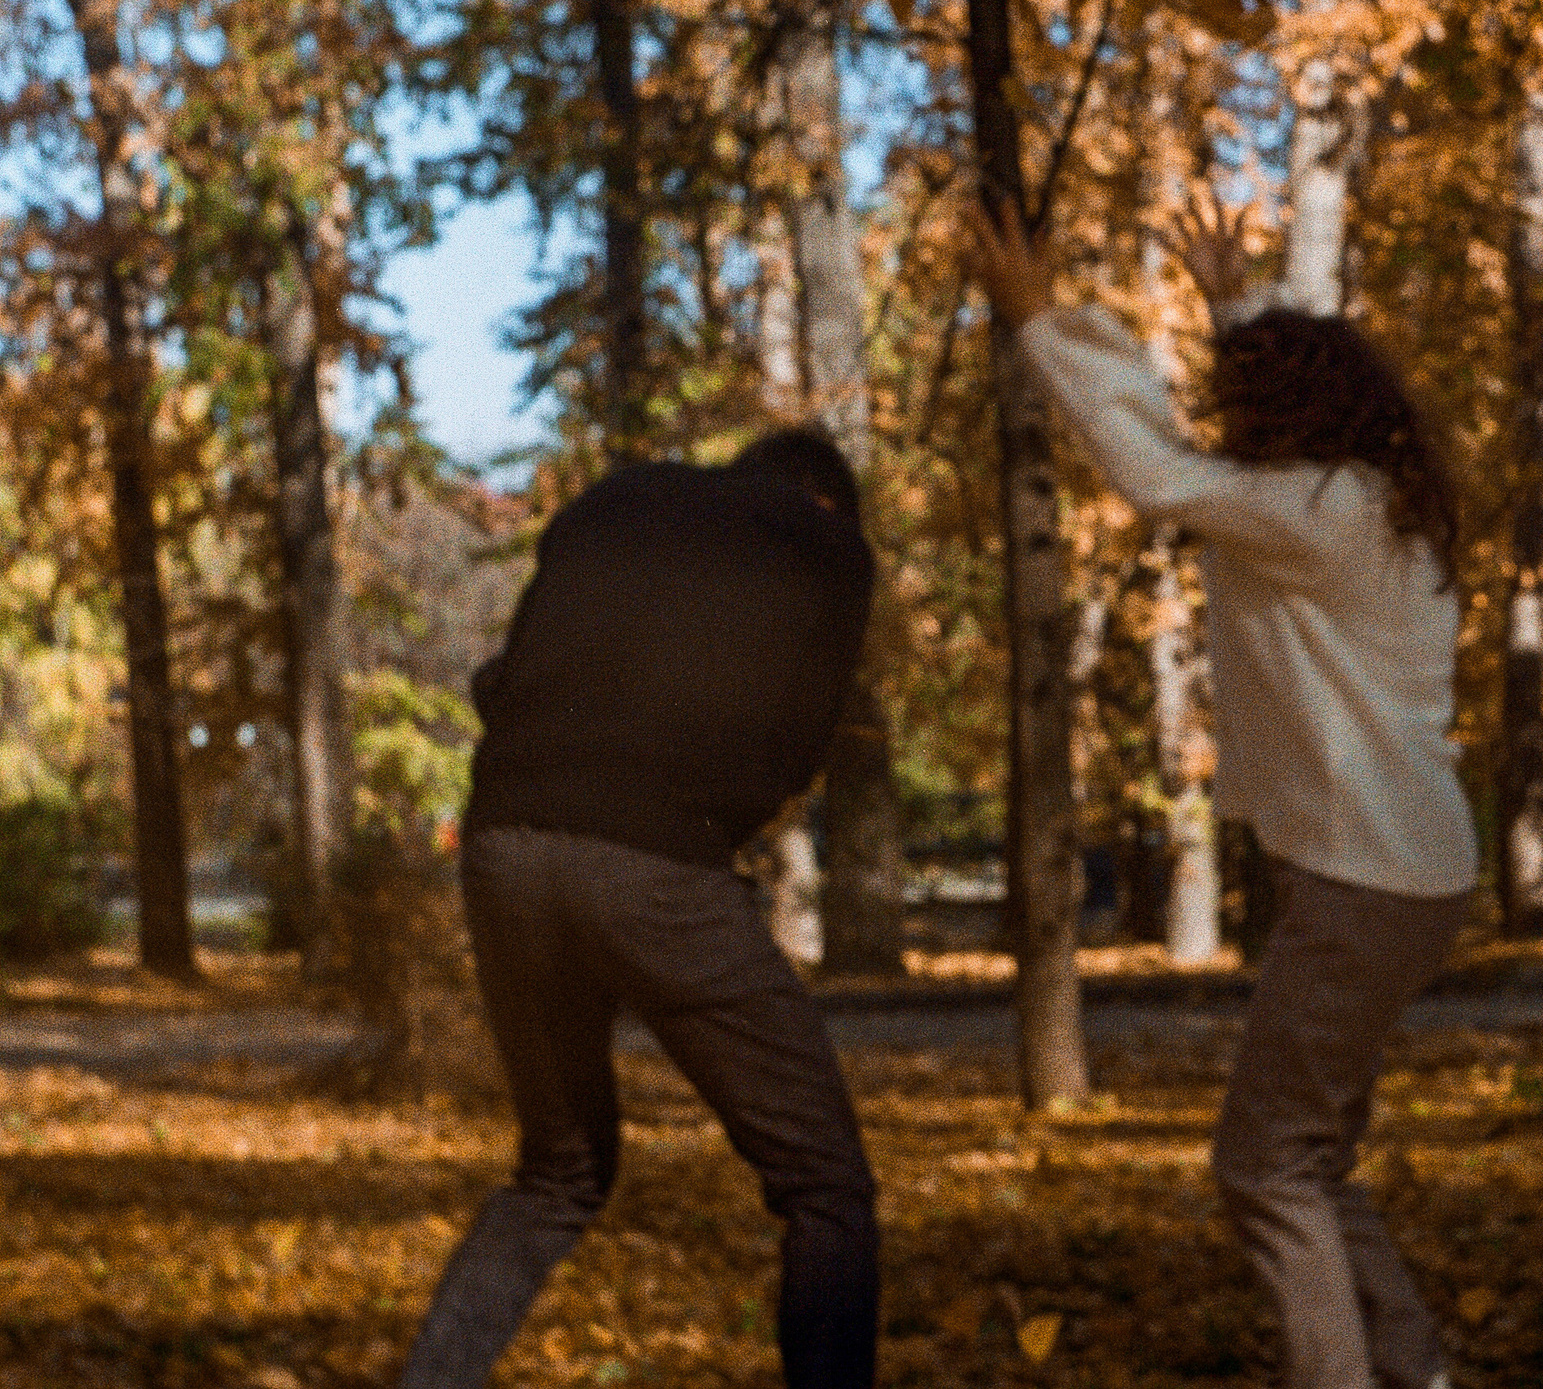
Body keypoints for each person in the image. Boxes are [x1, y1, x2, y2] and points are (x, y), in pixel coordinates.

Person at [975, 196, 1474, 1389]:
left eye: (1246, 398)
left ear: (1291, 413)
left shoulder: (1315, 509)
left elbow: (1154, 473)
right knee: (1314, 1155)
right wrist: (1233, 299)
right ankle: (1415, 1369)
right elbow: (1197, 452)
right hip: (1402, 869)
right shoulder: (1367, 499)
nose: (1226, 420)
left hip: (1369, 874)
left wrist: (1040, 322)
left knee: (1264, 1164)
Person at [398, 427, 882, 1389]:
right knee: (826, 1187)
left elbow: (500, 679)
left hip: (505, 847)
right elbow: (799, 749)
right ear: (824, 501)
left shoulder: (618, 504)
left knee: (558, 1174)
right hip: (657, 866)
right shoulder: (825, 549)